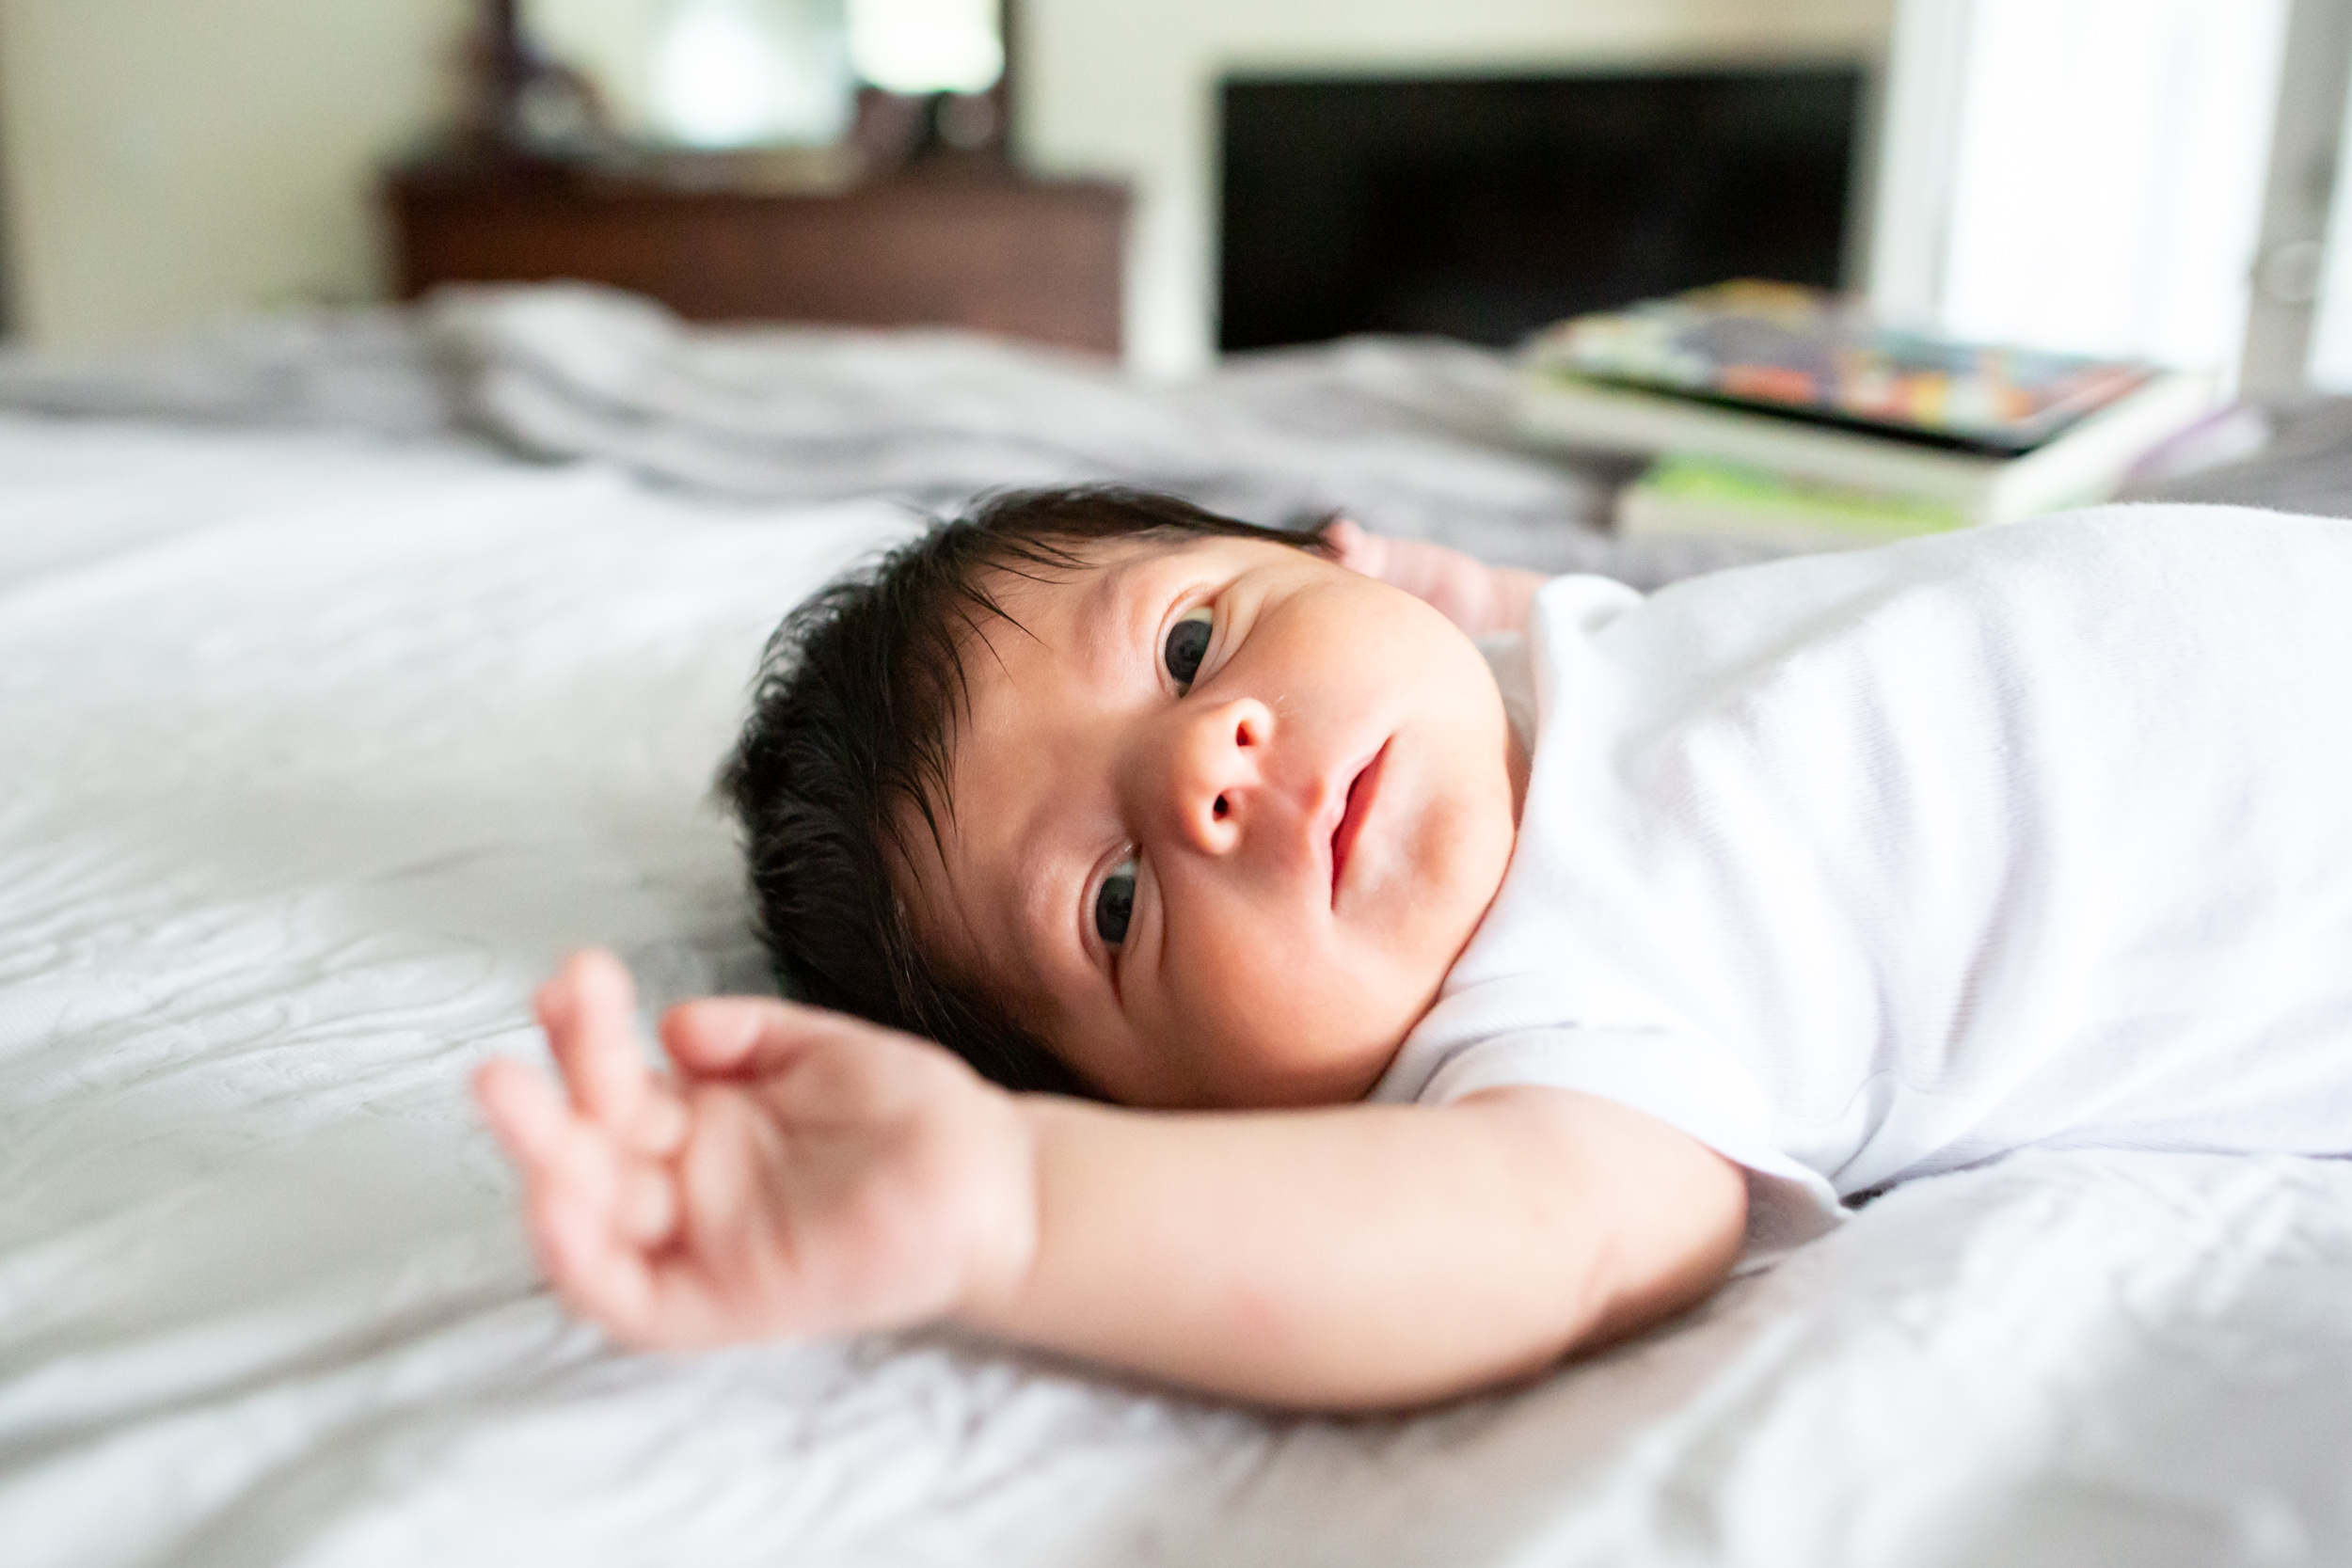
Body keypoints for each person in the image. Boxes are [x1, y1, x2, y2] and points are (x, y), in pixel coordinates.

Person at [474, 487, 2352, 1412]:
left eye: (1192, 647)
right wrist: (1011, 1212)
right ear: (1197, 1116)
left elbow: (1646, 644)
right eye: (1113, 905)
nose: (1207, 765)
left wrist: (1476, 602)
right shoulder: (1555, 1025)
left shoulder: (1540, 676)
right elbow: (1521, 1244)